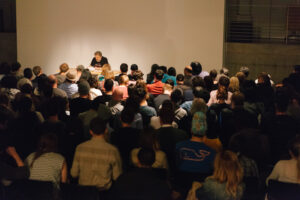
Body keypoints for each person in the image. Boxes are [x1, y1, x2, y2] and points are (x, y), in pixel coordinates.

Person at [71, 117, 122, 190]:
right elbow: (117, 176)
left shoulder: (80, 148)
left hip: (84, 192)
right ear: (106, 130)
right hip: (104, 192)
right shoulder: (112, 150)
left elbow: (74, 174)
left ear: (90, 131)